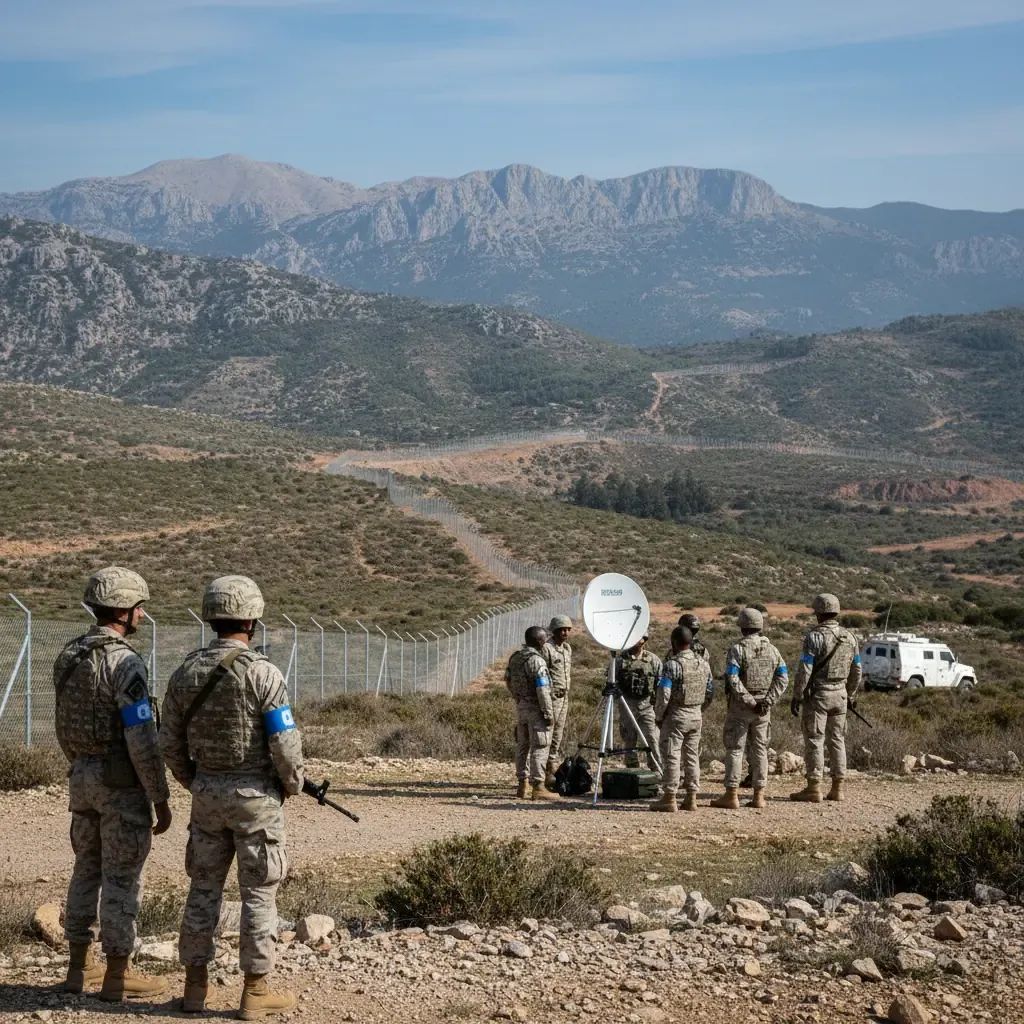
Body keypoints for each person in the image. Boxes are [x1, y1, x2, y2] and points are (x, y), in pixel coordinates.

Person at [160, 575, 304, 1018]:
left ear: (212, 617)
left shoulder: (186, 670)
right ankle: (255, 994)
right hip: (256, 796)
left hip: (206, 793)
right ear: (252, 619)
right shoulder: (264, 672)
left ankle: (194, 990)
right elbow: (284, 741)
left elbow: (168, 740)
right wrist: (292, 783)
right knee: (259, 894)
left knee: (202, 889)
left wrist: (193, 780)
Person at [53, 566, 171, 1001]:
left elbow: (64, 723)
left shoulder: (69, 655)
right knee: (121, 877)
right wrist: (159, 796)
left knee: (85, 868)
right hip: (120, 782)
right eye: (139, 607)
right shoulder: (125, 662)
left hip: (81, 775)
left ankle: (77, 968)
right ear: (123, 611)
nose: (142, 615)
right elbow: (141, 737)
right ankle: (118, 974)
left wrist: (82, 764)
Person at [711, 608, 789, 810]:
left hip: (741, 709)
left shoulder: (737, 649)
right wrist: (768, 700)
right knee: (760, 751)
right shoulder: (773, 650)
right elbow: (783, 678)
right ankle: (759, 796)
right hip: (763, 709)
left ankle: (731, 795)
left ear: (742, 626)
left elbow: (732, 678)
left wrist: (748, 700)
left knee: (735, 750)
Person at [790, 593, 862, 803]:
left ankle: (814, 787)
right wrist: (850, 694)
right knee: (837, 740)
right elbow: (857, 669)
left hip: (818, 695)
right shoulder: (850, 637)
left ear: (818, 614)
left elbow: (805, 669)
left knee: (815, 740)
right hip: (840, 695)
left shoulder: (815, 637)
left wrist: (797, 695)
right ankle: (837, 788)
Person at [650, 626, 713, 812]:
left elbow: (664, 694)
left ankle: (669, 798)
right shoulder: (703, 663)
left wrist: (659, 715)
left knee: (672, 755)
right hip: (696, 714)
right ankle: (691, 797)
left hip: (677, 715)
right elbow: (710, 691)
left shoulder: (672, 665)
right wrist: (700, 709)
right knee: (692, 756)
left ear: (674, 642)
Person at [505, 626, 558, 801]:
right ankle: (538, 787)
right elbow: (542, 689)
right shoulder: (537, 661)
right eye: (544, 640)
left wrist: (518, 698)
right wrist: (549, 713)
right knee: (540, 747)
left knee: (522, 746)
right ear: (540, 642)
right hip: (536, 709)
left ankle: (522, 785)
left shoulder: (515, 658)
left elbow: (508, 680)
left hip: (522, 707)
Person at [615, 634, 663, 771]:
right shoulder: (620, 660)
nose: (638, 640)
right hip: (626, 706)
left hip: (647, 706)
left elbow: (660, 684)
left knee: (652, 739)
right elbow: (611, 681)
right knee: (629, 740)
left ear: (645, 640)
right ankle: (632, 770)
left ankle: (656, 769)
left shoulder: (653, 660)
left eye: (641, 637)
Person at [542, 615, 574, 788]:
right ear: (554, 631)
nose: (565, 633)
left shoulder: (567, 648)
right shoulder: (547, 648)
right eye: (561, 630)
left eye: (567, 629)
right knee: (548, 732)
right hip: (552, 697)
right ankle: (544, 771)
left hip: (564, 697)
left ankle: (551, 764)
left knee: (558, 733)